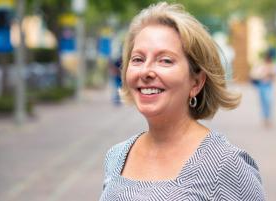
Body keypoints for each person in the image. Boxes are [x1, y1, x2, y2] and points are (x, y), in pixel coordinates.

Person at [99, 2, 265, 201]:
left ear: (196, 81)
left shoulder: (226, 165)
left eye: (165, 60)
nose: (146, 71)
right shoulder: (116, 157)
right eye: (137, 59)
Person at [251, 51, 275, 128]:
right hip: (262, 86)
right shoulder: (261, 66)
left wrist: (270, 73)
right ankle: (265, 118)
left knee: (268, 102)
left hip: (268, 86)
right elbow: (255, 75)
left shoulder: (272, 66)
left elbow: (275, 75)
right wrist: (263, 74)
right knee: (263, 103)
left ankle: (267, 118)